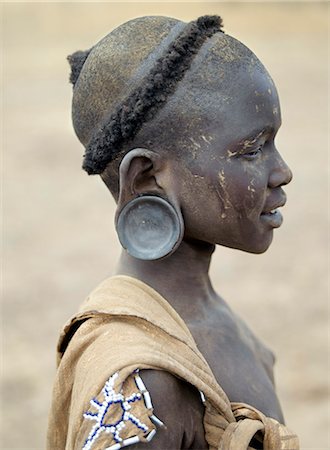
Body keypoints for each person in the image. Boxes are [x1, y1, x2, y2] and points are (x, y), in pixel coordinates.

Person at [47, 15, 299, 450]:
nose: (283, 172)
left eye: (274, 142)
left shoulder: (206, 316)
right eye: (253, 149)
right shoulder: (142, 382)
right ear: (146, 178)